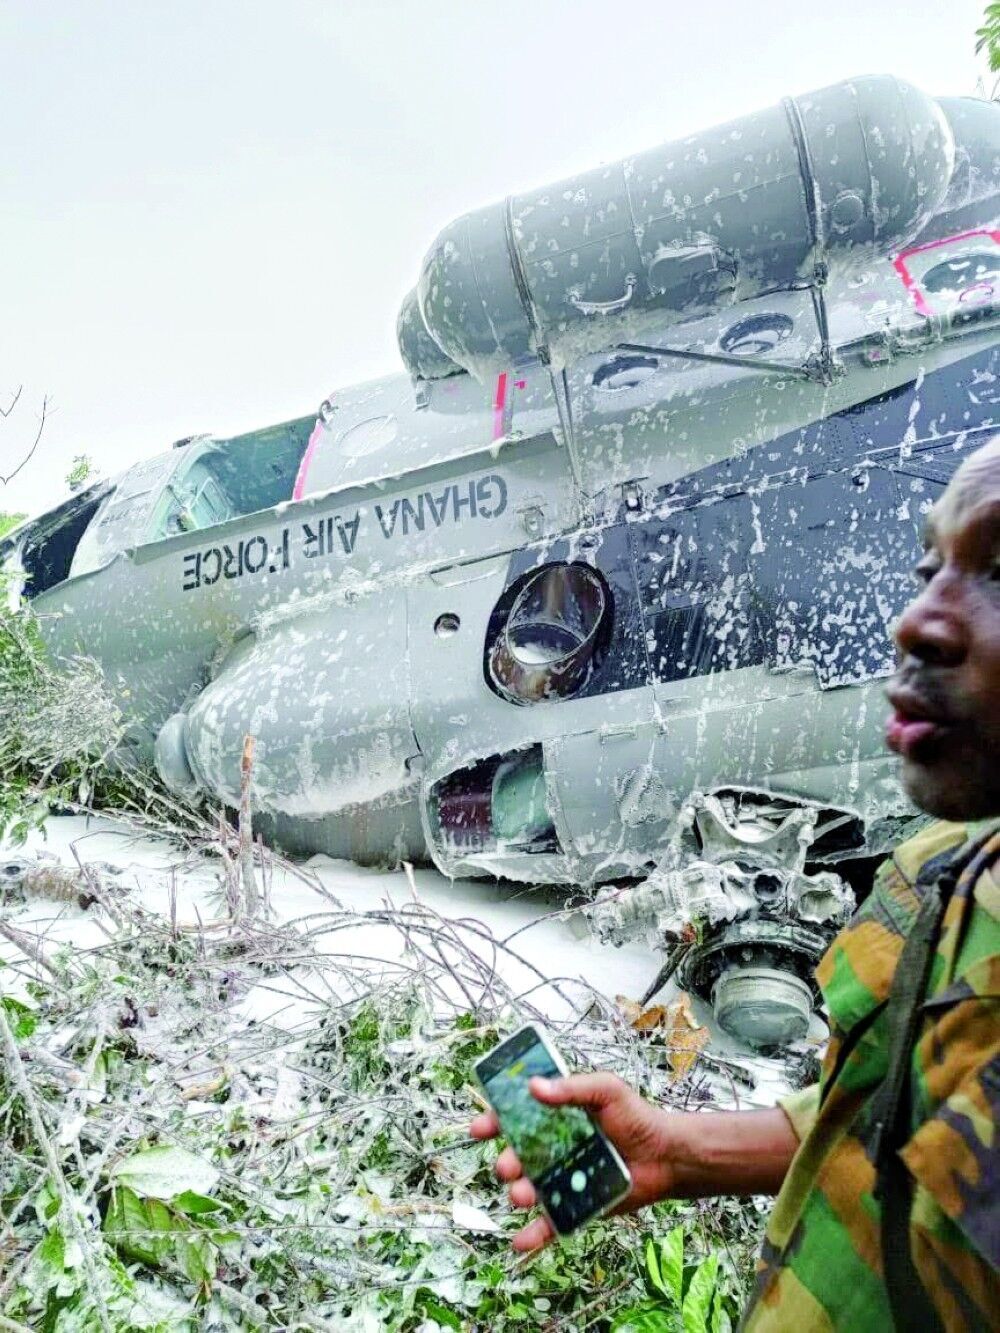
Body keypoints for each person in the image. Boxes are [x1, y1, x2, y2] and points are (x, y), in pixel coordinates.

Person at [471, 437, 1000, 1330]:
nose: (918, 620)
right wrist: (681, 1151)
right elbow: (884, 1106)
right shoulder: (949, 865)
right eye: (928, 565)